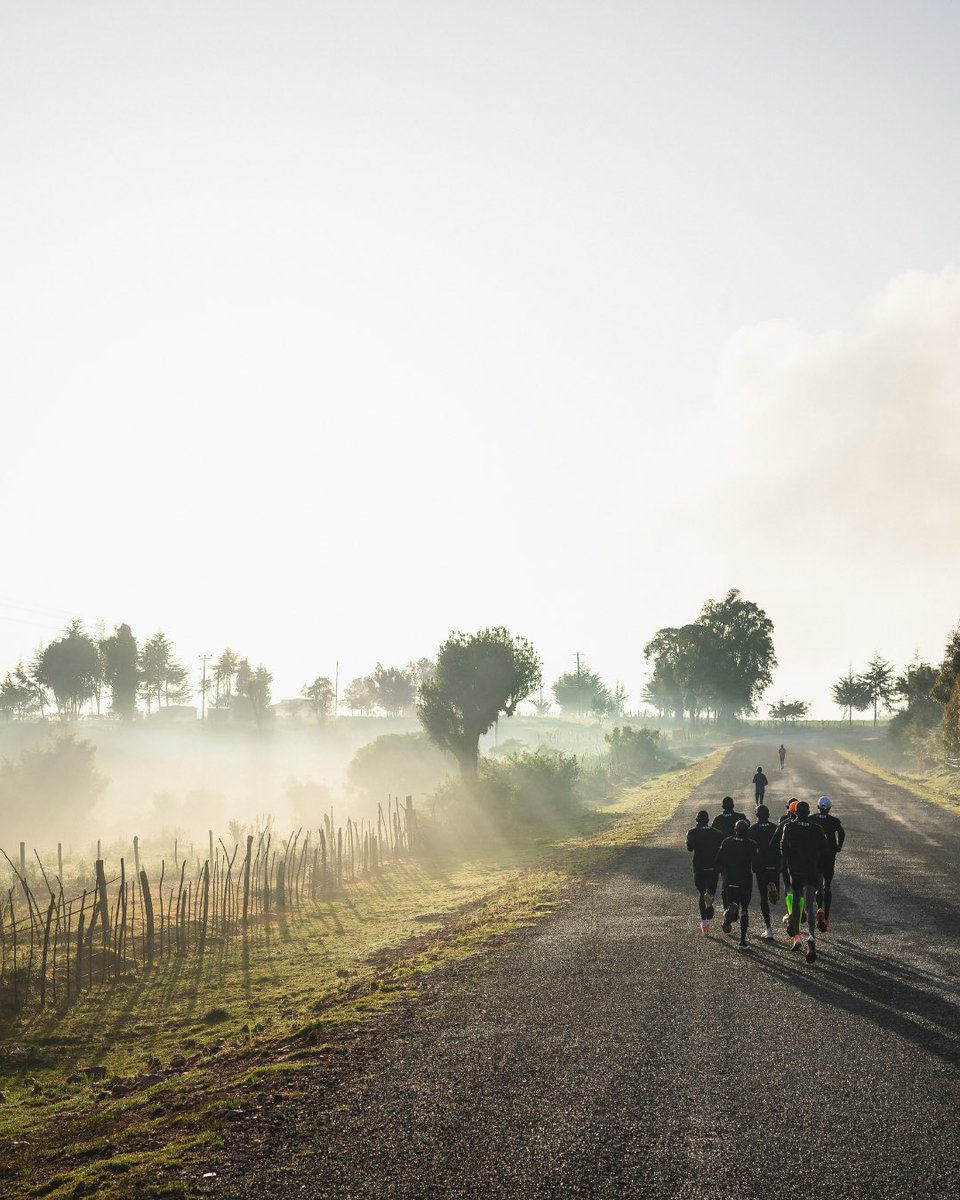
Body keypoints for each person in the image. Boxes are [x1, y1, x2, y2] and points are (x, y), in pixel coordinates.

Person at [780, 800, 828, 962]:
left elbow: (783, 849)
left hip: (796, 870)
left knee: (796, 903)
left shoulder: (789, 827)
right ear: (808, 813)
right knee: (809, 905)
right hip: (812, 870)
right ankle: (812, 938)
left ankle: (797, 935)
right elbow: (824, 849)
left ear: (795, 812)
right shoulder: (817, 828)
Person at [715, 819, 758, 946]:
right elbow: (755, 866)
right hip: (745, 881)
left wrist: (724, 874)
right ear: (747, 831)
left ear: (735, 830)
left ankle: (729, 913)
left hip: (729, 880)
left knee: (730, 903)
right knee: (744, 910)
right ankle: (743, 940)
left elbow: (718, 861)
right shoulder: (752, 844)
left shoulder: (727, 842)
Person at [686, 810, 724, 933]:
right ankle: (710, 898)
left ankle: (704, 923)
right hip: (712, 867)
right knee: (710, 890)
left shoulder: (692, 832)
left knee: (701, 894)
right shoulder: (717, 833)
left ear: (697, 820)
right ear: (708, 820)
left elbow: (690, 848)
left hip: (699, 867)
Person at [811, 795, 846, 930]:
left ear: (818, 807)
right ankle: (826, 919)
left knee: (818, 884)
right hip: (829, 856)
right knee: (827, 885)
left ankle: (819, 907)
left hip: (815, 856)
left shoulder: (812, 819)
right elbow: (841, 833)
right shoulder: (834, 821)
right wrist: (838, 846)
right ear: (829, 808)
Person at [747, 804, 781, 939]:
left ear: (756, 815)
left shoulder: (752, 830)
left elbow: (748, 849)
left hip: (760, 866)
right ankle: (773, 887)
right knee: (774, 899)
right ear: (768, 814)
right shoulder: (775, 828)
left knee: (763, 898)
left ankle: (769, 929)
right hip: (774, 864)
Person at [712, 796, 748, 911]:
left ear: (722, 806)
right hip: (742, 854)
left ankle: (727, 908)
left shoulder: (718, 819)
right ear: (733, 806)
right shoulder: (740, 817)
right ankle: (743, 909)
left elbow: (713, 836)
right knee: (743, 880)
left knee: (726, 881)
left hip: (725, 856)